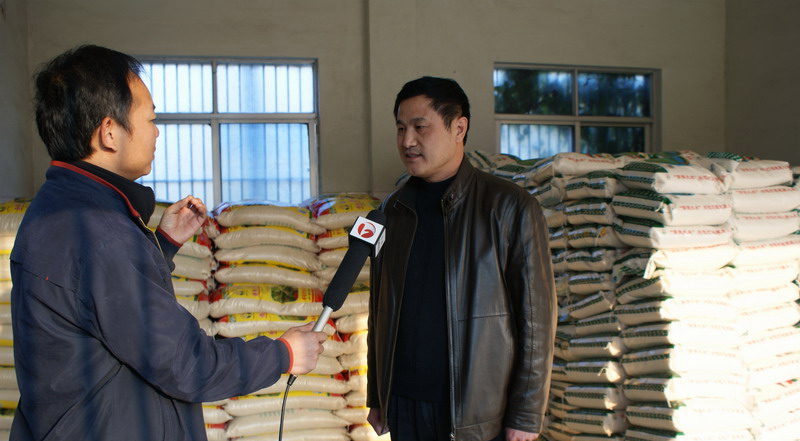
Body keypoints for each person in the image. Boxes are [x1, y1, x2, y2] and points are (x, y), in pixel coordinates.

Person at [10, 44, 327, 440]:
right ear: (109, 132)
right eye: (150, 119)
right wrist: (283, 354)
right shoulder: (102, 234)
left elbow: (103, 308)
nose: (156, 131)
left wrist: (162, 245)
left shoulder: (61, 208)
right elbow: (185, 363)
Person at [366, 76, 557, 441]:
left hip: (477, 413)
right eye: (401, 128)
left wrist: (526, 414)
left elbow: (537, 321)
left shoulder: (509, 207)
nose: (407, 141)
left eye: (420, 127)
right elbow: (380, 310)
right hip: (404, 406)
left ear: (459, 128)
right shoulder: (392, 210)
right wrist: (378, 395)